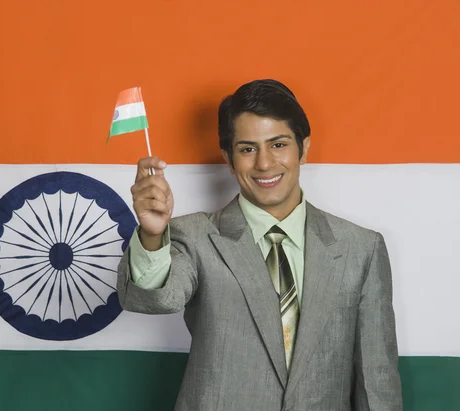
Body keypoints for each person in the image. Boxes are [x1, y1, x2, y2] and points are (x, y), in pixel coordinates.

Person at [116, 79, 403, 410]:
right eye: (248, 149)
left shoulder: (361, 248)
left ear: (304, 149)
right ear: (229, 158)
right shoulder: (194, 235)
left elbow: (377, 381)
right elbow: (155, 300)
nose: (265, 164)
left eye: (278, 144)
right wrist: (153, 235)